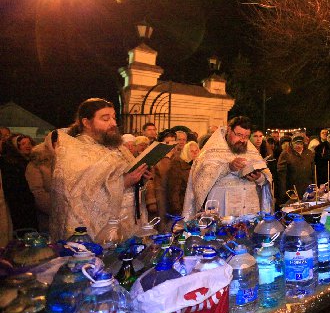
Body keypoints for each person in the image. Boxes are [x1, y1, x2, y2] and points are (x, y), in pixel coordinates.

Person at [50, 98, 152, 240]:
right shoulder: (74, 151)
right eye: (105, 119)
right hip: (98, 233)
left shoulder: (117, 147)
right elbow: (75, 197)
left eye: (114, 118)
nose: (113, 123)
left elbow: (128, 179)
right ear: (86, 123)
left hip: (128, 224)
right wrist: (123, 183)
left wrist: (141, 178)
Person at [183, 116, 271, 219]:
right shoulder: (212, 150)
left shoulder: (251, 151)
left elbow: (266, 177)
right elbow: (202, 177)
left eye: (246, 136)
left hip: (250, 208)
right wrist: (228, 167)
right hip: (222, 206)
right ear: (229, 130)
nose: (242, 140)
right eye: (239, 135)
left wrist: (259, 177)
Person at [0, 134, 37, 232]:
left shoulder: (34, 162)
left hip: (30, 206)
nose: (27, 146)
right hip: (20, 207)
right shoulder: (11, 165)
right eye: (23, 144)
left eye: (29, 143)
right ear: (15, 147)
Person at [25, 132, 57, 232]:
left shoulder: (66, 161)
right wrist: (57, 210)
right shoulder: (38, 161)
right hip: (49, 216)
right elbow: (37, 191)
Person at [277, 134, 315, 202]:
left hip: (307, 188)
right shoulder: (286, 154)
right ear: (292, 144)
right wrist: (285, 192)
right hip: (293, 189)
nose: (299, 145)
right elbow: (281, 175)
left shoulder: (309, 153)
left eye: (301, 143)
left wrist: (314, 186)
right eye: (296, 143)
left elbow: (313, 171)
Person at [167, 141, 200, 216]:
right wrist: (177, 209)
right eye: (191, 151)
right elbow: (174, 189)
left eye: (196, 150)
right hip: (183, 204)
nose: (195, 153)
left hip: (195, 204)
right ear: (186, 152)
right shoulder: (178, 165)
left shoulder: (198, 165)